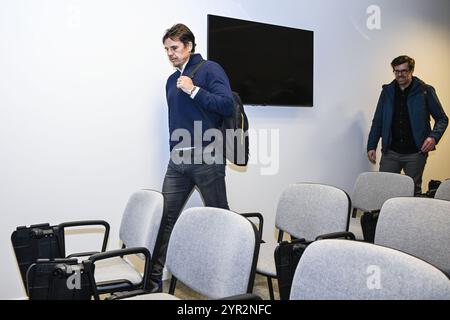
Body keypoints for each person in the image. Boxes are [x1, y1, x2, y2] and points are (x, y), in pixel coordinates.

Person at [149, 23, 234, 291]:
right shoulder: (170, 82)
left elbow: (226, 104)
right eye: (166, 49)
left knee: (220, 221)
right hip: (178, 160)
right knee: (165, 220)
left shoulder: (209, 69)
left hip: (207, 157)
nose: (170, 53)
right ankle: (151, 288)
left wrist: (194, 90)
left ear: (189, 46)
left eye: (174, 47)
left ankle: (229, 285)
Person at [367, 55, 448, 195]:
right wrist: (371, 145)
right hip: (390, 152)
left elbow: (442, 118)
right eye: (396, 71)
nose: (400, 74)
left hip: (415, 153)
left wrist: (433, 137)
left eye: (403, 71)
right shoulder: (387, 91)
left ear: (411, 71)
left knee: (412, 193)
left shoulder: (425, 90)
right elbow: (378, 120)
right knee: (384, 190)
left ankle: (412, 217)